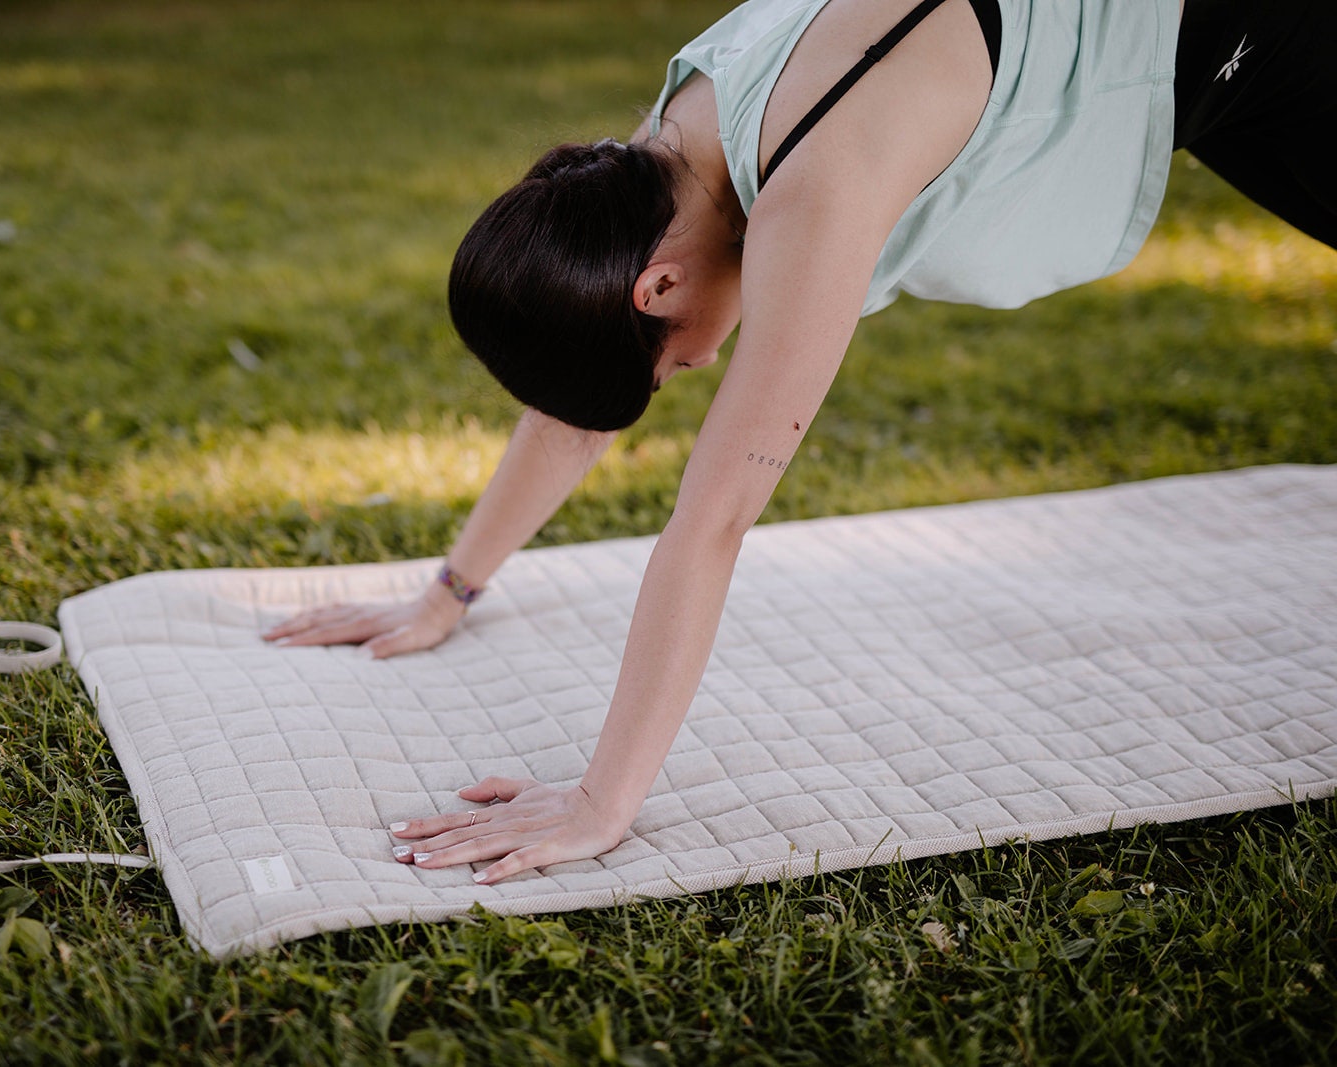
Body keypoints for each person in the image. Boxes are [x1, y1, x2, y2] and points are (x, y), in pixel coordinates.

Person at [263, 0, 1335, 884]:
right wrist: (447, 588)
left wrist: (598, 803)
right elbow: (579, 395)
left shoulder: (811, 191)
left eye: (672, 362)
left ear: (657, 286)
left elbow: (712, 520)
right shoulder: (658, 157)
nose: (690, 372)